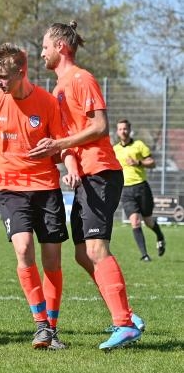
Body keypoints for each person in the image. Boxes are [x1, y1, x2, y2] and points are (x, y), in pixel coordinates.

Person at [0, 43, 80, 350]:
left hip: (46, 188)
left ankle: (51, 328)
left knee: (52, 259)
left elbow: (61, 145)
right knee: (24, 249)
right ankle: (40, 324)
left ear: (21, 73)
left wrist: (69, 167)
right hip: (9, 188)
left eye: (4, 77)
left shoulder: (48, 103)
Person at [29, 21, 144, 350]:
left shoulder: (82, 78)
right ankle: (126, 315)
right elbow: (65, 143)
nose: (42, 52)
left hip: (102, 173)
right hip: (86, 176)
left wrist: (62, 145)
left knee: (95, 249)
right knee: (82, 254)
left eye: (45, 46)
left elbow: (100, 126)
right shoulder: (57, 89)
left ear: (61, 48)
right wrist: (57, 158)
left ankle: (123, 322)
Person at [114, 119, 166, 261]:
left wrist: (139, 162)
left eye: (125, 128)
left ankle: (160, 236)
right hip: (125, 190)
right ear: (117, 131)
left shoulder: (139, 145)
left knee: (148, 221)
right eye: (120, 129)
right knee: (135, 221)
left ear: (129, 129)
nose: (123, 131)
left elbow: (152, 163)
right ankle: (145, 255)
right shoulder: (115, 150)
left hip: (141, 187)